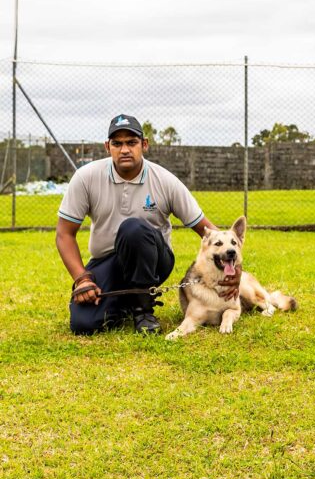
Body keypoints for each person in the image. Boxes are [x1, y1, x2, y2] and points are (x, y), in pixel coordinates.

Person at [56, 114, 238, 335]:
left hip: (153, 261)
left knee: (133, 229)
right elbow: (64, 234)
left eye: (131, 142)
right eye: (117, 143)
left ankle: (143, 311)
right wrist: (82, 279)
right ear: (107, 147)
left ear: (144, 144)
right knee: (84, 324)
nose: (124, 149)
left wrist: (233, 269)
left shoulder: (165, 180)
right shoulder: (86, 177)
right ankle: (124, 303)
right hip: (109, 260)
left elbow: (209, 232)